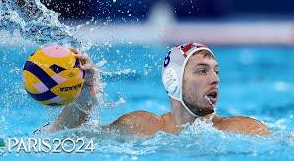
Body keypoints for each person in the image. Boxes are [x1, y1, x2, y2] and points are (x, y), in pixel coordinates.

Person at [41, 43, 271, 136]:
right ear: (173, 80)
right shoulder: (141, 126)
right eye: (202, 71)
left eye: (216, 71)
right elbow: (61, 139)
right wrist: (84, 96)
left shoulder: (243, 129)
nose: (215, 79)